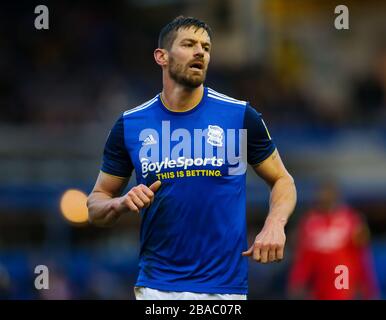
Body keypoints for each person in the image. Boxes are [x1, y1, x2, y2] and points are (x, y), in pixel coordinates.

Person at [87, 16, 297, 300]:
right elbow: (95, 206)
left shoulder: (240, 116)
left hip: (224, 291)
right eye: (189, 44)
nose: (201, 52)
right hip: (157, 289)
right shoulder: (130, 124)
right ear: (161, 56)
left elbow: (283, 179)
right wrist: (121, 202)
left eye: (206, 47)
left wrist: (275, 223)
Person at [288, 181, 379, 300]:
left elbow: (361, 253)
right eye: (321, 194)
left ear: (336, 196)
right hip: (318, 280)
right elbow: (302, 256)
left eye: (328, 194)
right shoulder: (309, 221)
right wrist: (297, 280)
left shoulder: (350, 219)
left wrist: (368, 286)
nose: (324, 197)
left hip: (342, 276)